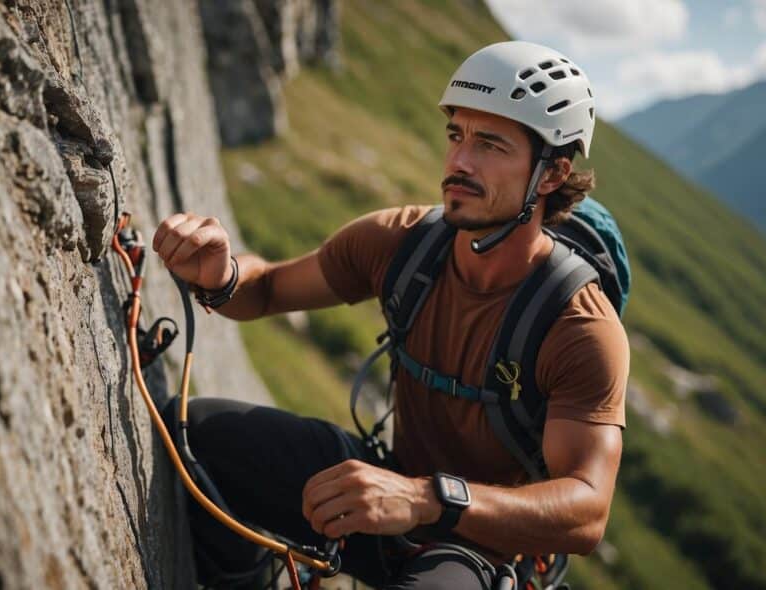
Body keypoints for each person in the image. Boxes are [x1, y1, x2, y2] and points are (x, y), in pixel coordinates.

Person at [152, 41, 628, 589]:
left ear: (550, 175)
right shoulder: (402, 245)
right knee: (201, 436)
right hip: (387, 494)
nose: (459, 162)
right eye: (457, 136)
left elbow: (587, 510)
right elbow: (266, 289)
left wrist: (428, 498)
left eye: (491, 145)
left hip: (483, 555)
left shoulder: (579, 327)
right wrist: (221, 273)